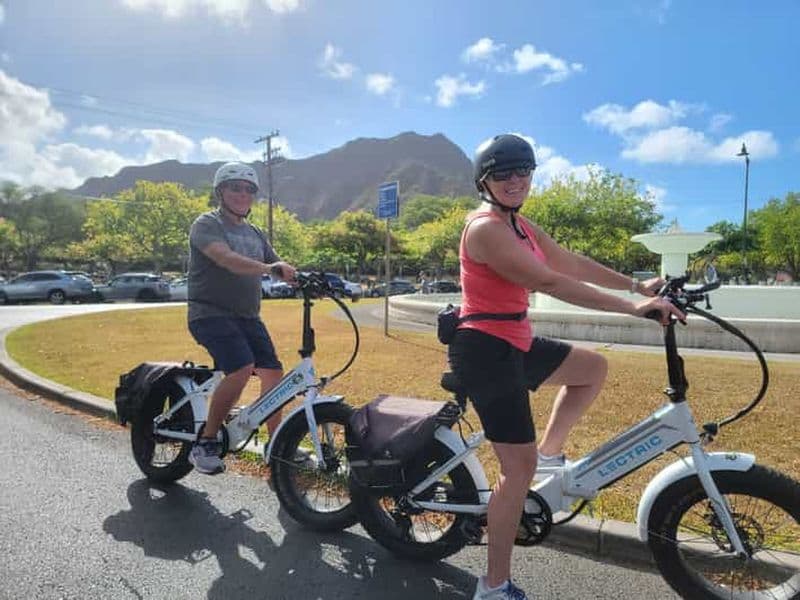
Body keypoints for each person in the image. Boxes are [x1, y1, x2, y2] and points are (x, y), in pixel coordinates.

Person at [448, 134, 684, 600]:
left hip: (515, 341)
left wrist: (639, 285)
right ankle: (493, 586)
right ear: (485, 181)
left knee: (591, 369)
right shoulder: (485, 229)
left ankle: (551, 458)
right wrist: (631, 308)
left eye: (523, 171)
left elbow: (569, 262)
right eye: (503, 173)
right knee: (516, 469)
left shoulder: (520, 225)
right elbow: (549, 280)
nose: (515, 180)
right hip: (484, 350)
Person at [186, 161, 296, 475]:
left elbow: (279, 264)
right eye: (235, 187)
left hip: (247, 317)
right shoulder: (206, 224)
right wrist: (268, 269)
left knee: (274, 376)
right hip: (209, 314)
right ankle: (205, 442)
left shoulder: (254, 232)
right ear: (220, 191)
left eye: (248, 189)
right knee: (241, 367)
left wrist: (305, 278)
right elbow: (226, 259)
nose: (242, 194)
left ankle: (278, 447)